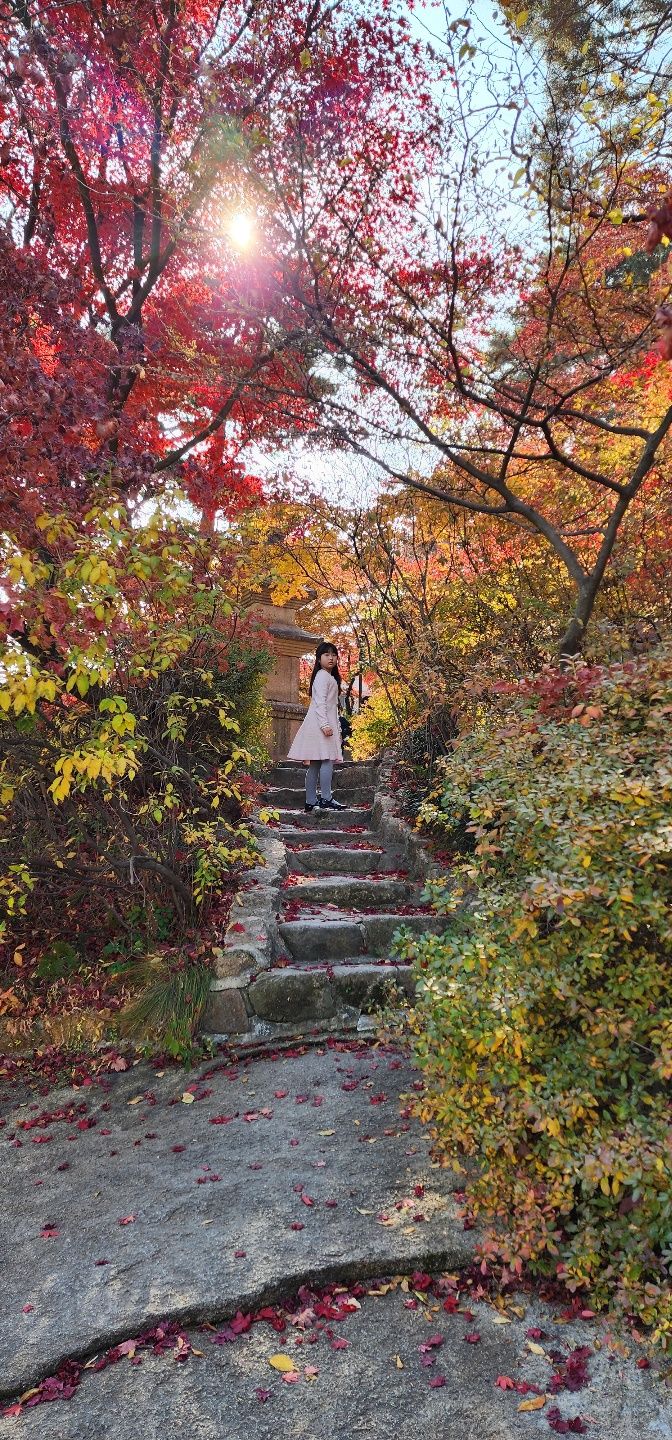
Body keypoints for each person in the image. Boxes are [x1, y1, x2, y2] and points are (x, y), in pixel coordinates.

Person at [287, 642, 347, 812]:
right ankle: (326, 798)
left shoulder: (327, 676)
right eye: (327, 655)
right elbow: (319, 702)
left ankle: (311, 801)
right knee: (327, 760)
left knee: (315, 763)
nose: (331, 658)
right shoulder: (322, 676)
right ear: (319, 659)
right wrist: (325, 725)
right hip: (321, 725)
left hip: (319, 723)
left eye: (334, 655)